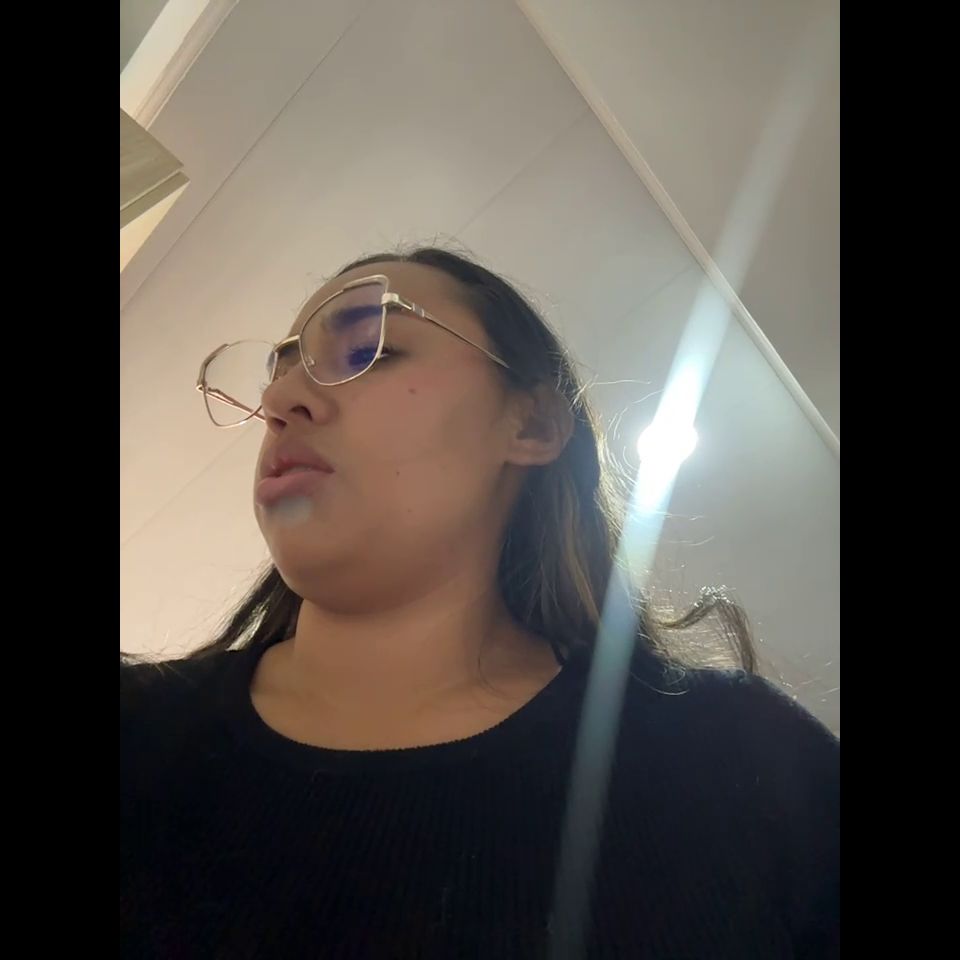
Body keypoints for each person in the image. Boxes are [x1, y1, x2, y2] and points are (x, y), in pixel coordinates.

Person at [121, 247, 839, 958]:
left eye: (368, 350)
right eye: (276, 374)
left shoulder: (735, 759)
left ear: (531, 425)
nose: (279, 403)